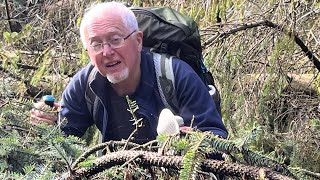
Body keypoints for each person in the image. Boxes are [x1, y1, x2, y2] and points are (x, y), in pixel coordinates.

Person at [31, 2, 228, 144]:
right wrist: (47, 125)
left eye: (116, 39)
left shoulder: (176, 75)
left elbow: (217, 137)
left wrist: (191, 141)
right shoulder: (86, 84)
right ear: (88, 53)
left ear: (138, 41)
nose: (107, 52)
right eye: (97, 44)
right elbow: (61, 139)